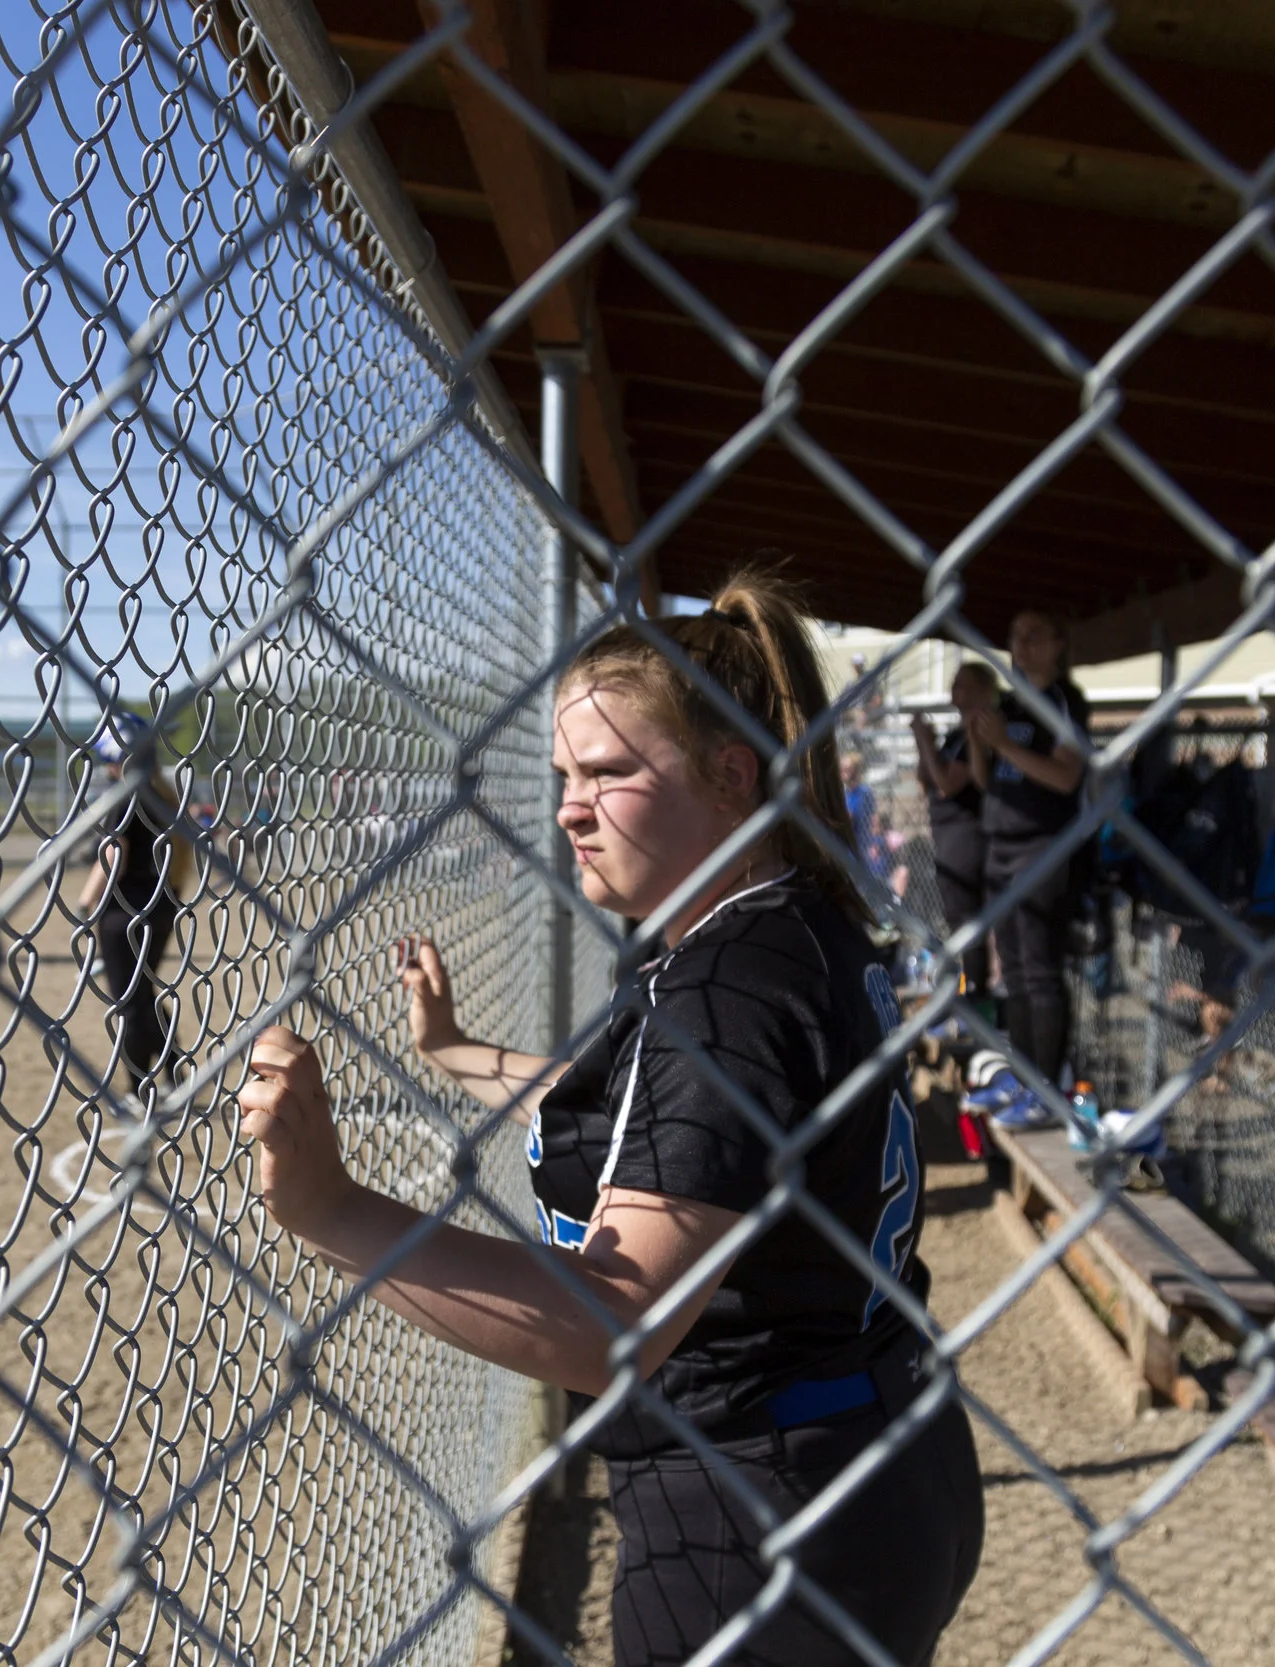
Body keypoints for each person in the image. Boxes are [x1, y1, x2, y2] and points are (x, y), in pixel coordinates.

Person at [234, 572, 982, 1667]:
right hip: (876, 1456)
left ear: (731, 776)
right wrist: (458, 1052)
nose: (570, 806)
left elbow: (610, 1324)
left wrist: (329, 1207)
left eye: (609, 772)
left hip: (760, 1518)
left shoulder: (728, 987)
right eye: (563, 775)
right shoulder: (790, 923)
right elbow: (674, 1124)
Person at [964, 610, 1090, 1089]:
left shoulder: (1064, 703)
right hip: (1000, 844)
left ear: (1059, 644)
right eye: (1015, 636)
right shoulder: (1011, 706)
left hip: (1041, 848)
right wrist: (981, 743)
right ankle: (1022, 1076)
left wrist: (1004, 745)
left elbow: (1065, 775)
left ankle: (1047, 1082)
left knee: (1039, 971)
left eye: (1035, 635)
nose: (1022, 644)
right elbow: (984, 780)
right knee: (1013, 972)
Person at [75, 712, 194, 1100]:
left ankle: (137, 1089)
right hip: (161, 906)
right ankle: (174, 1066)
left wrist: (84, 902)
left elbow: (114, 856)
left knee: (128, 1002)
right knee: (141, 993)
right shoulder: (163, 792)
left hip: (123, 912)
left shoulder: (125, 794)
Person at [909, 660, 1001, 1013]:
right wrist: (925, 744)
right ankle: (972, 988)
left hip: (966, 836)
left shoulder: (974, 736)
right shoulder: (955, 735)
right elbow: (927, 778)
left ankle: (978, 994)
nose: (953, 691)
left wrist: (925, 744)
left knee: (967, 917)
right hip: (946, 834)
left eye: (961, 684)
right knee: (956, 915)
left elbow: (948, 784)